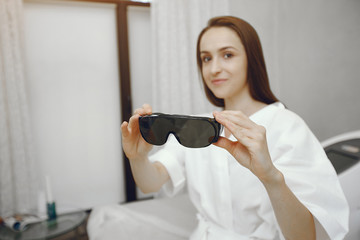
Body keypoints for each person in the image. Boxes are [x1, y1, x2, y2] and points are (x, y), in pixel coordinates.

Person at [121, 16, 349, 239]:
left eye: (227, 55)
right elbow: (151, 182)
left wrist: (270, 177)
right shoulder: (198, 125)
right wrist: (138, 157)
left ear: (252, 59)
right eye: (206, 58)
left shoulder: (287, 126)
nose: (214, 69)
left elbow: (307, 236)